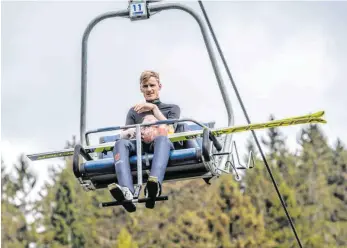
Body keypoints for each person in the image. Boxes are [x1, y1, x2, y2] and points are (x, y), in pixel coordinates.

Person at [108, 70, 197, 212]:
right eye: (145, 86)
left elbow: (172, 129)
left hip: (163, 144)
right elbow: (125, 134)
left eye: (152, 85)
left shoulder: (172, 108)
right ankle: (127, 191)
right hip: (140, 145)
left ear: (159, 86)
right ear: (141, 89)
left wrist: (154, 109)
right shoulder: (134, 111)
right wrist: (137, 131)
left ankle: (153, 185)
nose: (149, 89)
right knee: (120, 143)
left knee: (162, 138)